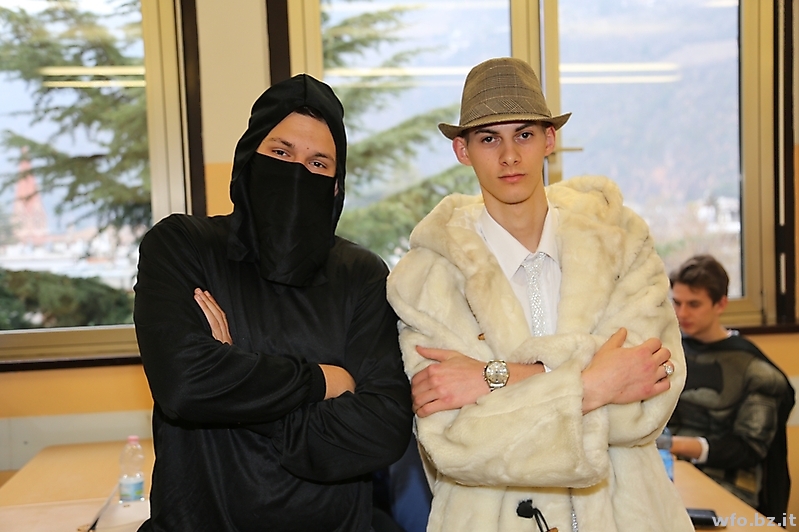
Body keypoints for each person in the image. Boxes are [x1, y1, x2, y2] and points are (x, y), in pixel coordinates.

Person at [385, 57, 694, 532]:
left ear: (550, 140)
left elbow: (647, 406)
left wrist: (495, 378)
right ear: (462, 150)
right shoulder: (426, 279)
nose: (510, 156)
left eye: (524, 134)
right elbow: (457, 444)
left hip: (631, 515)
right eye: (489, 138)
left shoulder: (620, 243)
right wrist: (596, 383)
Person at [133, 73, 413, 531]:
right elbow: (185, 384)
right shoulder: (183, 247)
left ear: (336, 186)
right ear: (248, 158)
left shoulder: (361, 274)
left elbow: (382, 432)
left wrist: (234, 380)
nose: (297, 173)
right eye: (281, 153)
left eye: (318, 163)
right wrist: (322, 381)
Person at [668, 254, 794, 520]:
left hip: (732, 491)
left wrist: (675, 444)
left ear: (721, 304)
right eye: (676, 302)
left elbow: (749, 448)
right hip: (671, 477)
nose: (682, 313)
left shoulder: (757, 372)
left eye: (694, 304)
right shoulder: (670, 354)